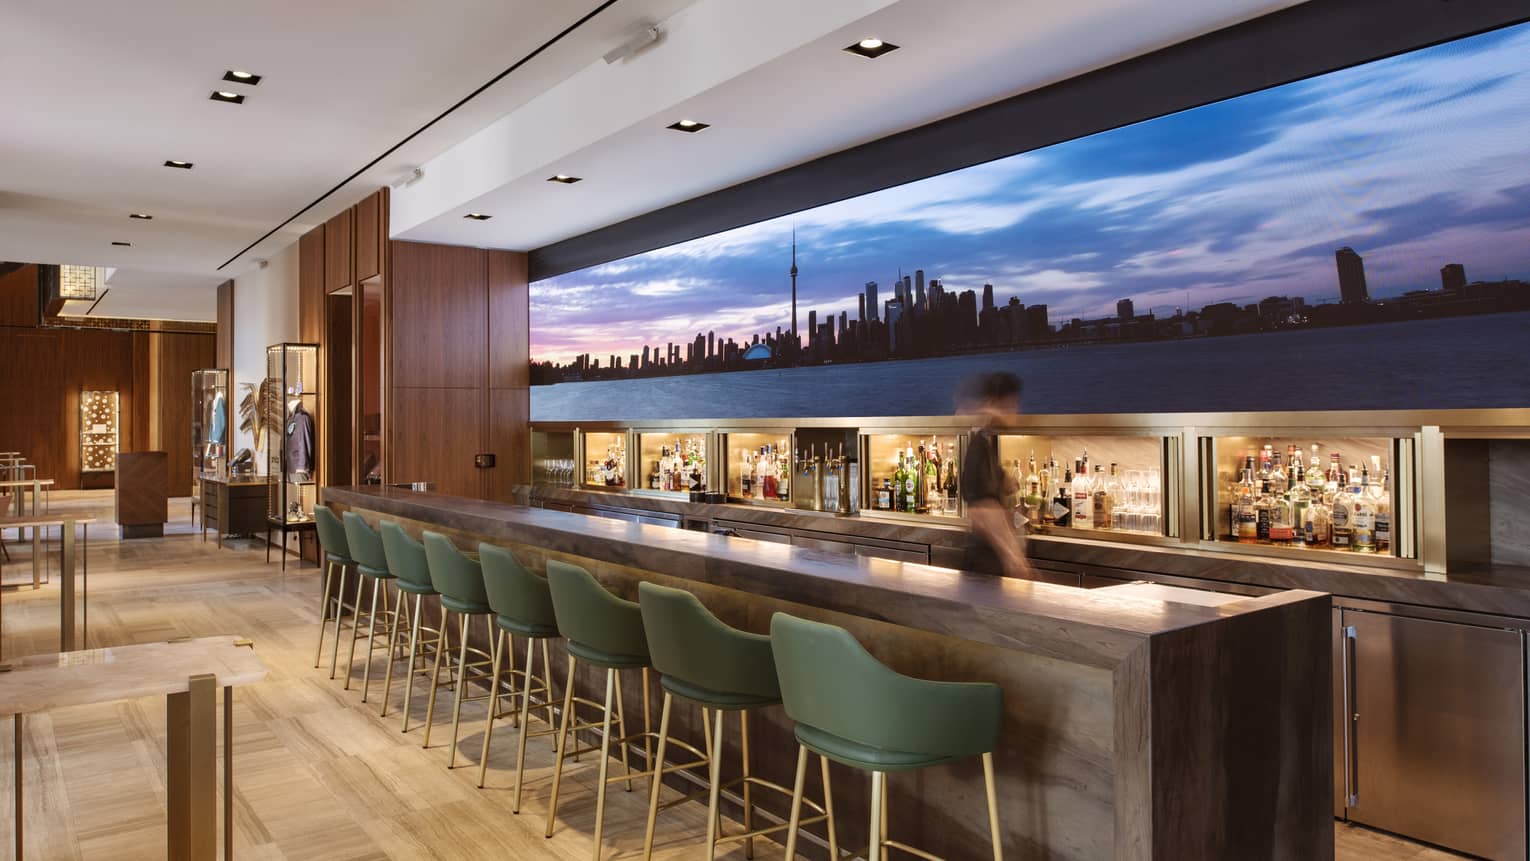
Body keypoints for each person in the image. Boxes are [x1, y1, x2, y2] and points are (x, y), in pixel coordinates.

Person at [958, 372, 1035, 578]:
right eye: (1011, 404)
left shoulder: (984, 441)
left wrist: (1004, 480)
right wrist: (1013, 557)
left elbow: (990, 491)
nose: (1016, 411)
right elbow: (983, 510)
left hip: (989, 565)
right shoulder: (978, 446)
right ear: (993, 403)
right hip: (984, 568)